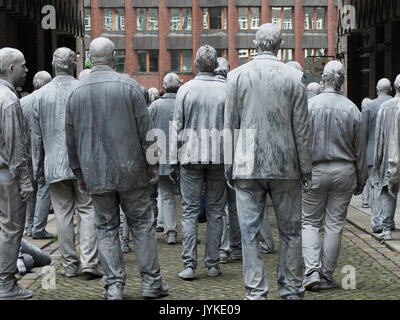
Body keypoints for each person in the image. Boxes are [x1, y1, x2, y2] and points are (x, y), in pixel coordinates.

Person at [65, 37, 169, 300]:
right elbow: (148, 132)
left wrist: (79, 173)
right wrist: (152, 165)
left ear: (91, 57)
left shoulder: (76, 92)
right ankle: (151, 283)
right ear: (113, 56)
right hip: (131, 170)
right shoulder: (130, 86)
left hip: (95, 171)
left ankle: (114, 287)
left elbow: (71, 139)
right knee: (142, 225)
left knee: (106, 227)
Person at [225, 24, 312, 300]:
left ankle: (255, 291)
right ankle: (291, 288)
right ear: (280, 45)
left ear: (255, 43)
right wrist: (306, 166)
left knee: (249, 232)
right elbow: (302, 129)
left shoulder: (237, 77)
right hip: (286, 164)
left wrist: (229, 164)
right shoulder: (293, 78)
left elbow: (230, 125)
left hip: (246, 164)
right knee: (291, 231)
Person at [31, 48, 102, 281]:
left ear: (53, 64)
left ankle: (70, 265)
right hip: (84, 165)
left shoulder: (41, 95)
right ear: (74, 65)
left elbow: (36, 138)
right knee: (88, 211)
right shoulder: (85, 91)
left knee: (62, 215)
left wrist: (36, 169)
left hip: (54, 165)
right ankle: (90, 262)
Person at [302, 60, 367, 291]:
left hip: (315, 170)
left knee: (309, 222)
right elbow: (360, 150)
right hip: (344, 171)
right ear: (342, 80)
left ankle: (311, 271)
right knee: (334, 225)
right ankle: (327, 275)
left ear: (324, 78)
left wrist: (301, 171)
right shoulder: (352, 109)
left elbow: (301, 143)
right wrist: (361, 180)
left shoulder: (310, 106)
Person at [170, 45, 226, 280]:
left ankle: (189, 265)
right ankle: (212, 264)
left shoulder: (186, 90)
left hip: (190, 156)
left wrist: (173, 160)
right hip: (220, 156)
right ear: (214, 65)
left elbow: (177, 127)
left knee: (190, 211)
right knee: (215, 212)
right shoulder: (226, 89)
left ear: (196, 64)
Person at [0, 47, 34, 300]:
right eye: (22, 65)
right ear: (11, 68)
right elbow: (15, 148)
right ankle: (6, 284)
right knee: (11, 230)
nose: (26, 70)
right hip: (7, 176)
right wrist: (24, 181)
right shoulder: (9, 101)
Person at [21, 71, 53, 240]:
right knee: (44, 187)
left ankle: (29, 225)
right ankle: (38, 228)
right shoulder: (47, 101)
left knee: (30, 189)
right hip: (42, 152)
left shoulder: (22, 102)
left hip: (25, 152)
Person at [148, 73, 180, 245]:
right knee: (189, 199)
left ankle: (171, 232)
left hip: (161, 156)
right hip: (184, 158)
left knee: (166, 195)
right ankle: (191, 233)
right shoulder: (183, 102)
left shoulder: (155, 106)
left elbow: (147, 131)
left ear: (164, 86)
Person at [362, 78, 393, 233]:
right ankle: (389, 220)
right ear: (391, 89)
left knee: (375, 186)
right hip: (393, 153)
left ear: (377, 88)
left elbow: (364, 132)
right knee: (391, 187)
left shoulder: (369, 106)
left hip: (372, 152)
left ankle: (377, 221)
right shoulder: (395, 103)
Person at [374, 75, 400, 240]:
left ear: (396, 87)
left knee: (387, 192)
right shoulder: (386, 106)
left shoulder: (386, 106)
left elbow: (379, 137)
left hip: (390, 156)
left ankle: (387, 229)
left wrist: (377, 161)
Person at [361, 97, 372, 208]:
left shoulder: (362, 116)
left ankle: (365, 200)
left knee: (366, 178)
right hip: (370, 152)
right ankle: (366, 199)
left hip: (365, 152)